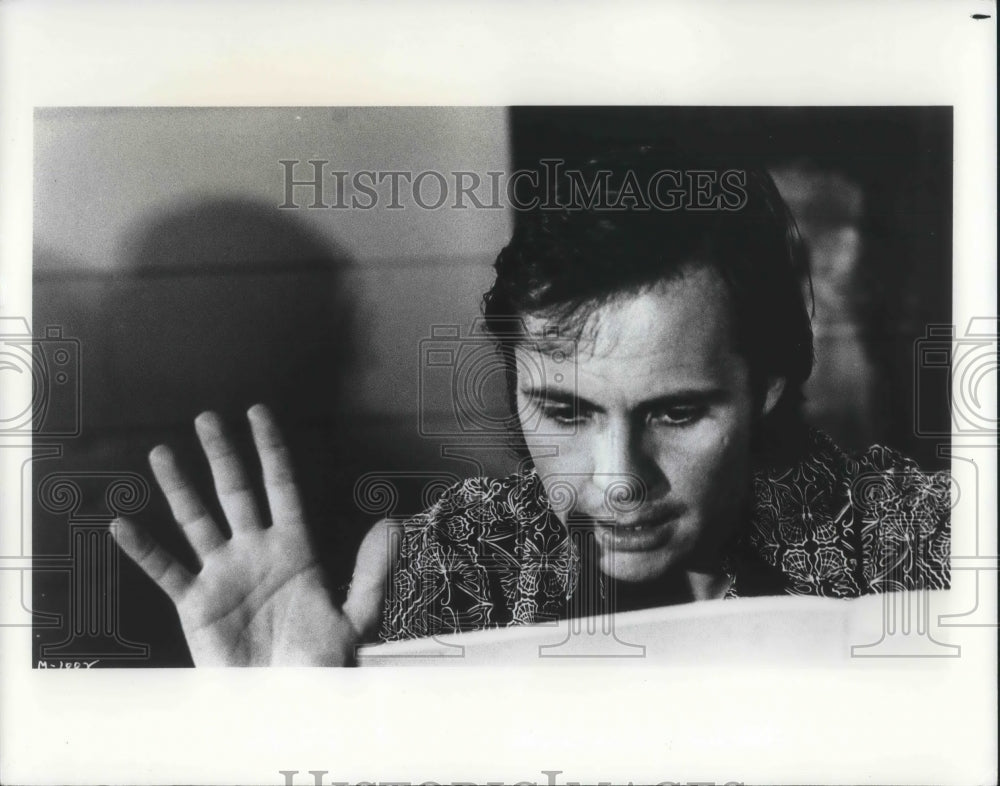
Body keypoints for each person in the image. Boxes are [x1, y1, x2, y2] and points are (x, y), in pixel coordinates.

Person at [111, 147, 950, 665]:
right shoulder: (460, 564)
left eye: (675, 413)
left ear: (767, 388)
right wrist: (281, 737)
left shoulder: (929, 549)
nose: (617, 482)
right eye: (565, 412)